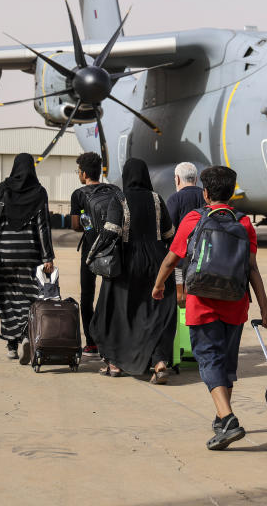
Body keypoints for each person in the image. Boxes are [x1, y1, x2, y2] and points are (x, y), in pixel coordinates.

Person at [152, 165, 267, 450]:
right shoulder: (244, 223)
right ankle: (222, 420)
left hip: (202, 303)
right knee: (226, 365)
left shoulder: (194, 219)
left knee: (208, 361)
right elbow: (253, 269)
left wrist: (159, 286)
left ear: (205, 193)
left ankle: (229, 419)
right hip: (235, 305)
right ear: (232, 193)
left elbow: (172, 260)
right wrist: (265, 310)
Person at [89, 158, 176, 380]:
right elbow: (169, 235)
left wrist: (93, 253)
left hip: (127, 263)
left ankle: (116, 365)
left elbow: (111, 231)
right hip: (157, 263)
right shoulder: (157, 199)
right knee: (156, 313)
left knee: (116, 311)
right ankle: (158, 362)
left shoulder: (119, 198)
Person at [0, 153, 54, 361]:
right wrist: (48, 256)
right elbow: (43, 227)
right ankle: (24, 337)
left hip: (3, 255)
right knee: (30, 298)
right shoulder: (39, 192)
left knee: (5, 299)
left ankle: (11, 345)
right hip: (30, 256)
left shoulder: (2, 190)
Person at [69, 152, 121, 355]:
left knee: (87, 295)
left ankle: (91, 342)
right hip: (113, 249)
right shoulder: (115, 190)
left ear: (83, 174)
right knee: (112, 294)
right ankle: (112, 338)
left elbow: (75, 225)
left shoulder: (79, 194)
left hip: (90, 251)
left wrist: (88, 224)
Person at [165, 162, 205, 300]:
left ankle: (183, 321)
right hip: (203, 258)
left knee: (180, 297)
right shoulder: (205, 197)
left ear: (177, 179)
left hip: (180, 259)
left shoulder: (174, 199)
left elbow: (168, 229)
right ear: (196, 178)